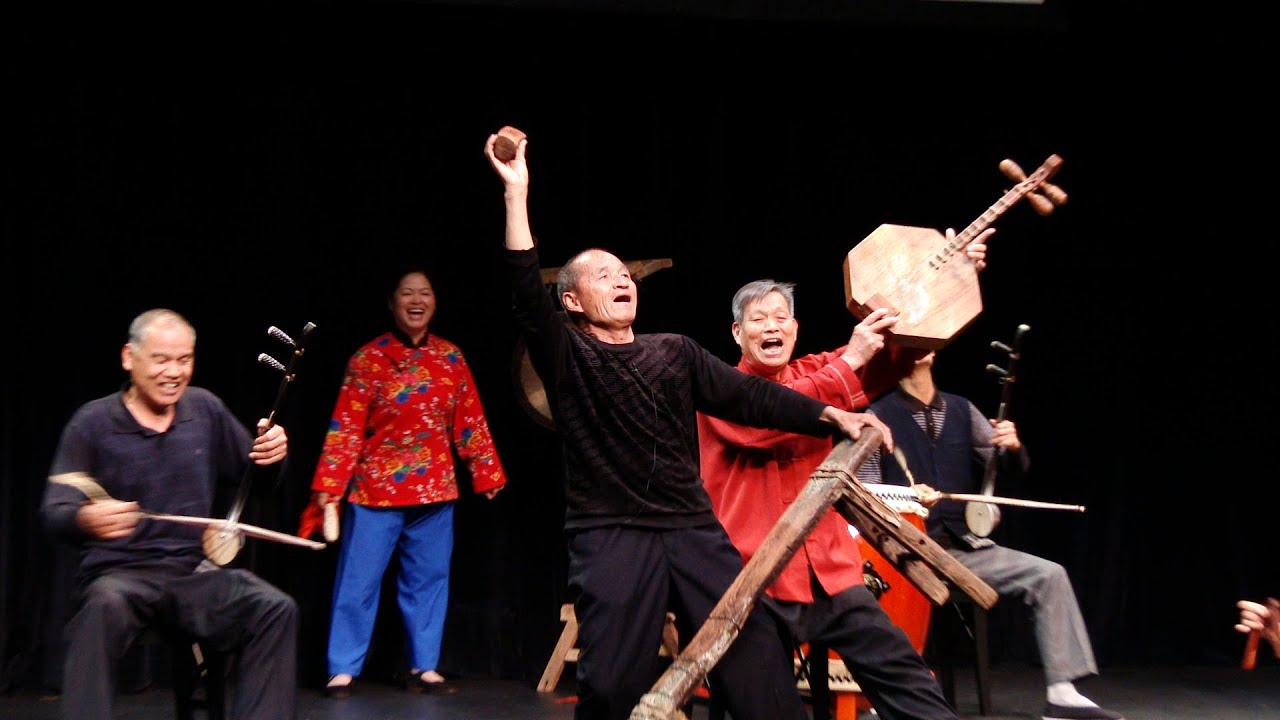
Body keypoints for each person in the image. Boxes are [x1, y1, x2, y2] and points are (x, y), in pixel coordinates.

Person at [484, 131, 897, 720]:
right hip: (612, 533)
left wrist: (828, 412)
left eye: (624, 273)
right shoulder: (567, 355)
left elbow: (751, 397)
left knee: (754, 662)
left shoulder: (674, 351)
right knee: (612, 682)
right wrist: (517, 192)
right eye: (602, 276)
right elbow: (526, 290)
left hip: (692, 529)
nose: (621, 279)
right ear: (572, 302)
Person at [697, 268, 989, 719]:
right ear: (737, 333)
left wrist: (949, 280)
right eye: (758, 319)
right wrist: (846, 365)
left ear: (795, 329)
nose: (772, 326)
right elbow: (771, 418)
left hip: (830, 573)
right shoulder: (719, 389)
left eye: (781, 317)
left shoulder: (816, 372)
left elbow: (898, 354)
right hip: (752, 583)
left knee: (911, 685)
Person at [39, 308, 299, 720]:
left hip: (191, 574)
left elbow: (257, 481)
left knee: (274, 607)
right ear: (129, 357)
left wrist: (272, 458)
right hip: (120, 577)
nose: (173, 372)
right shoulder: (92, 422)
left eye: (184, 360)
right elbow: (54, 511)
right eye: (161, 359)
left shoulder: (205, 410)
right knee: (100, 609)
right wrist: (85, 519)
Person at [856, 350, 1125, 720]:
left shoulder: (963, 410)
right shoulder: (876, 416)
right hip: (906, 552)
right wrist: (907, 496)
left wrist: (1011, 448)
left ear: (933, 352)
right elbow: (867, 498)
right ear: (891, 353)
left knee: (1049, 575)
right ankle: (883, 699)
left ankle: (1062, 693)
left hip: (965, 548)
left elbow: (1002, 471)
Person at [303, 265, 508, 698]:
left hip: (435, 490)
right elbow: (346, 427)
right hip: (375, 491)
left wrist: (485, 470)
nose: (416, 301)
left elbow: (469, 419)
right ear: (392, 303)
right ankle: (342, 667)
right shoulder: (367, 359)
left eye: (425, 293)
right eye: (407, 293)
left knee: (429, 581)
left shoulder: (451, 357)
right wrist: (330, 487)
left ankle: (424, 666)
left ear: (435, 303)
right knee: (357, 583)